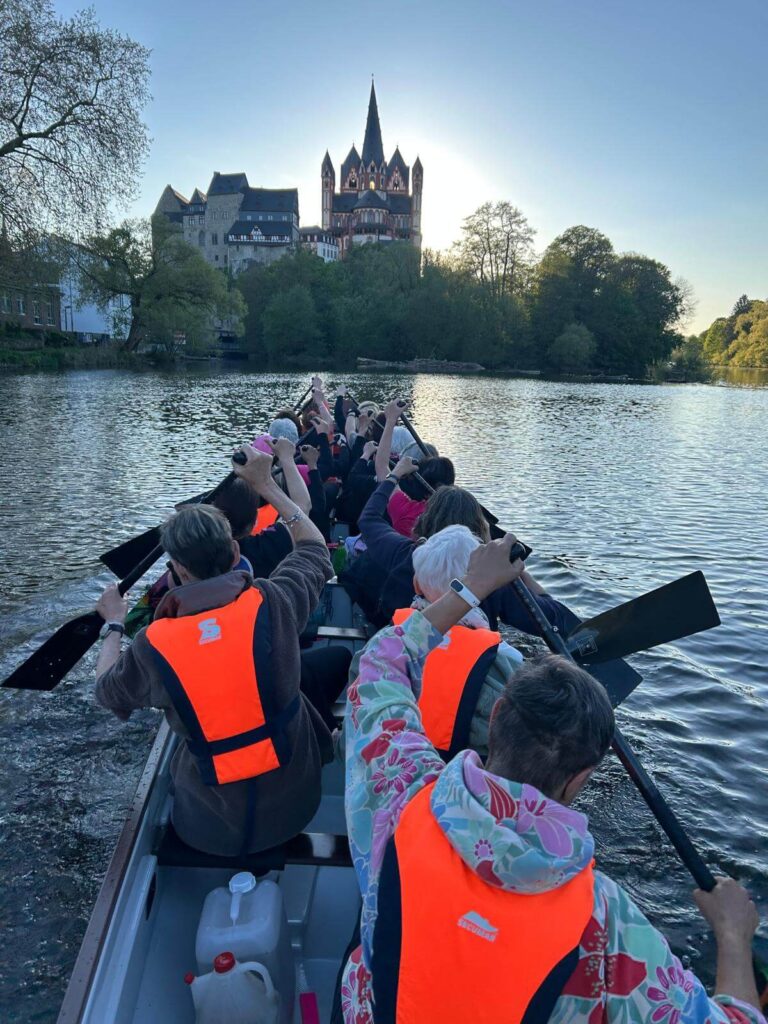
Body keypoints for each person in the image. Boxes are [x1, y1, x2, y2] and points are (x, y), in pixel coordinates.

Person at [339, 535, 765, 1024]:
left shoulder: (401, 791)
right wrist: (733, 938)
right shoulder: (610, 927)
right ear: (583, 775)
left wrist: (475, 584)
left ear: (497, 714)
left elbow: (381, 663)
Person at [94, 445, 341, 857]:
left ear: (178, 571)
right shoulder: (273, 600)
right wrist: (266, 484)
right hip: (297, 808)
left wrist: (115, 624)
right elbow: (313, 547)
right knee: (328, 665)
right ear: (236, 555)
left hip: (207, 829)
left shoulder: (153, 645)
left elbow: (105, 690)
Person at [357, 455, 577, 634]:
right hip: (468, 670)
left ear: (425, 519)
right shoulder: (492, 581)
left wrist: (393, 476)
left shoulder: (405, 553)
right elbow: (558, 620)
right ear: (479, 528)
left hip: (407, 646)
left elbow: (368, 520)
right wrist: (519, 573)